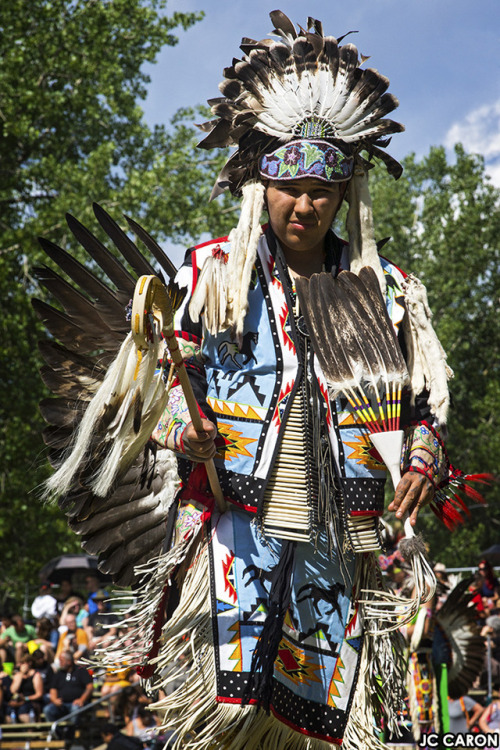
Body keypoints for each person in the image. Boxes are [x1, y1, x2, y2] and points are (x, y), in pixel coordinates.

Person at [36, 10, 490, 750]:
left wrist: (421, 459)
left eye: (322, 188)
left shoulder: (387, 292)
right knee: (230, 721)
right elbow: (147, 403)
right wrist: (189, 434)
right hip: (236, 534)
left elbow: (421, 406)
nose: (305, 204)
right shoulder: (212, 274)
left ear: (346, 195)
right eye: (289, 184)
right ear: (259, 182)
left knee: (315, 730)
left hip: (342, 542)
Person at [44, 650, 93, 722]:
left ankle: (71, 731)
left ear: (69, 661)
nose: (59, 663)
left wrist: (82, 699)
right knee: (48, 710)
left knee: (75, 709)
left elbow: (89, 687)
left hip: (76, 704)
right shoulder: (58, 673)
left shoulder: (81, 671)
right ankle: (56, 732)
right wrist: (54, 700)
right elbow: (53, 689)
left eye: (61, 661)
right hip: (62, 705)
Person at [7, 652, 44, 722]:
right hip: (19, 701)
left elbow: (39, 694)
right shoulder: (18, 675)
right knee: (9, 710)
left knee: (23, 711)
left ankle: (30, 731)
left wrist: (26, 698)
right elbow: (12, 690)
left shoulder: (36, 675)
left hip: (30, 701)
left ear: (29, 663)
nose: (20, 665)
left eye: (23, 663)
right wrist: (21, 674)